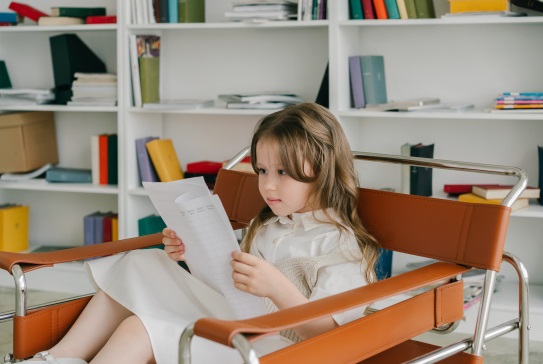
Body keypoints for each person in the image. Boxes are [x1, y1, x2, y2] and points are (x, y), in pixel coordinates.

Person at [20, 102, 381, 364]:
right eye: (262, 170)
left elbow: (330, 337)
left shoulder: (341, 245)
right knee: (139, 262)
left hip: (276, 350)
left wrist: (276, 287)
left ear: (322, 167)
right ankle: (56, 359)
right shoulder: (268, 224)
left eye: (283, 172)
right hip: (234, 320)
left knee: (140, 328)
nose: (268, 185)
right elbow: (228, 288)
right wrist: (190, 257)